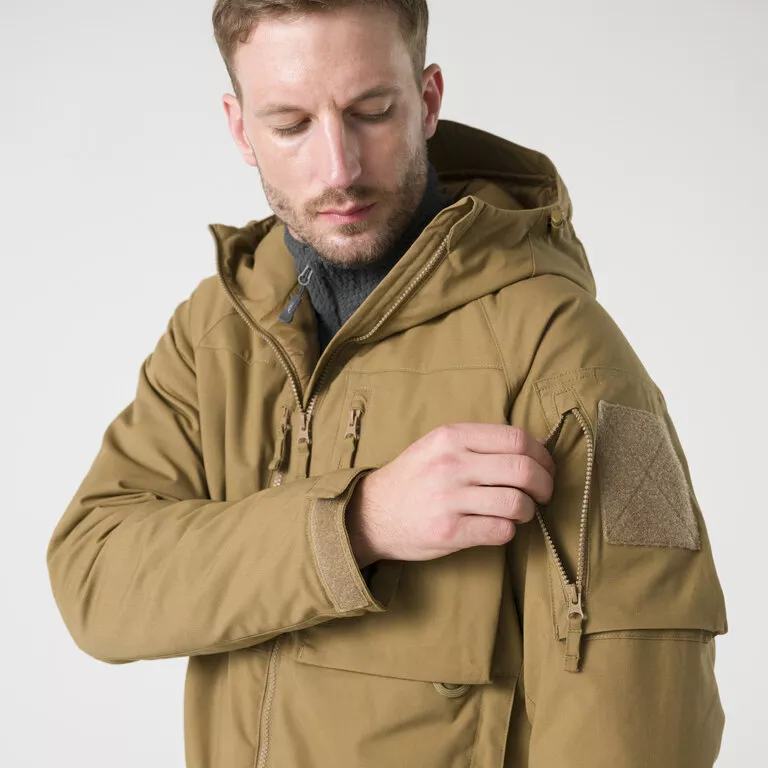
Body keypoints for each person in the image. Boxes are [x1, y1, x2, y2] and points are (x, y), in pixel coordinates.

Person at [46, 1, 728, 766]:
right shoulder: (217, 333)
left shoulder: (561, 350)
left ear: (428, 100)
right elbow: (94, 578)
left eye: (371, 112)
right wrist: (357, 522)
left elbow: (637, 725)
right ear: (240, 129)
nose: (339, 169)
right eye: (291, 124)